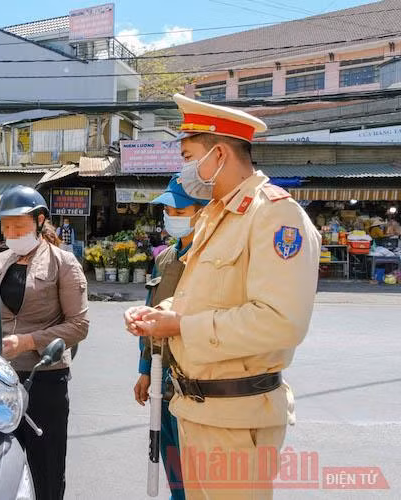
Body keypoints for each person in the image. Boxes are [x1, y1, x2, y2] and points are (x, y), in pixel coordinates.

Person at [124, 94, 321, 500]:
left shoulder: (274, 215)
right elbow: (201, 297)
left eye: (188, 155)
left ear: (217, 154)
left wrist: (180, 326)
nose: (184, 169)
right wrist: (158, 312)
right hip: (197, 410)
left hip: (237, 417)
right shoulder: (217, 213)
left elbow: (281, 321)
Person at [0, 186, 89, 500]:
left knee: (45, 466)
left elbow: (79, 325)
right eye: (6, 226)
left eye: (19, 225)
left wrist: (29, 341)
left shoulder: (64, 263)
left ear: (39, 220)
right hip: (0, 381)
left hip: (44, 378)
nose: (12, 232)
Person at [133, 174, 209, 500]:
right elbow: (151, 313)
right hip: (162, 370)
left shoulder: (210, 259)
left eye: (181, 211)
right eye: (169, 212)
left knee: (198, 462)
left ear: (202, 211)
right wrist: (143, 369)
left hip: (197, 375)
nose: (172, 218)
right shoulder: (163, 258)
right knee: (169, 452)